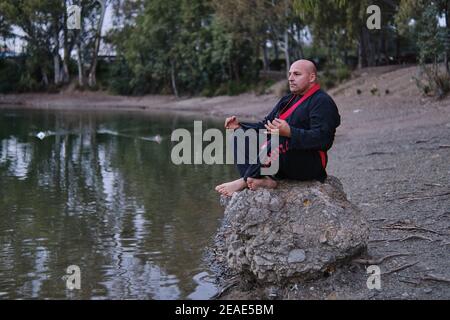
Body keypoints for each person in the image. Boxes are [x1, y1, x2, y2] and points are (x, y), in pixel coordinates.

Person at [215, 59, 341, 197]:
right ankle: (264, 179)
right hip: (282, 159)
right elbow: (265, 125)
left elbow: (324, 139)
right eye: (290, 74)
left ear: (312, 77)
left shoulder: (322, 101)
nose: (290, 78)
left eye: (297, 74)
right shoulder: (288, 100)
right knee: (238, 135)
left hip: (310, 164)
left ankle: (245, 180)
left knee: (280, 137)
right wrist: (240, 126)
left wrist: (290, 132)